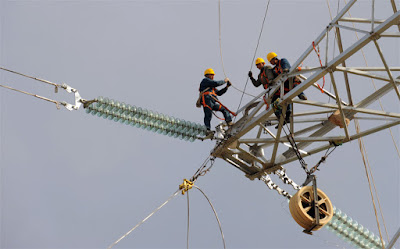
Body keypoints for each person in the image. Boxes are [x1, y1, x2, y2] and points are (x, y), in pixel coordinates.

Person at [267, 52, 308, 128]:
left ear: (274, 59)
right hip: (283, 86)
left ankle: (301, 95)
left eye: (271, 61)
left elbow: (286, 66)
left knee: (294, 86)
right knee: (274, 100)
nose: (271, 63)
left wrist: (285, 69)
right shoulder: (274, 69)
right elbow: (274, 78)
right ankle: (280, 116)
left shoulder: (282, 61)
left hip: (290, 80)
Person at [199, 68, 233, 134]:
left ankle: (229, 122)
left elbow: (219, 93)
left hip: (212, 102)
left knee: (224, 109)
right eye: (211, 75)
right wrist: (225, 81)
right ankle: (207, 130)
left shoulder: (211, 87)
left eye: (213, 75)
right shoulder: (205, 81)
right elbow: (216, 83)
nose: (213, 76)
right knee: (208, 115)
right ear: (207, 75)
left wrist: (227, 87)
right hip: (207, 101)